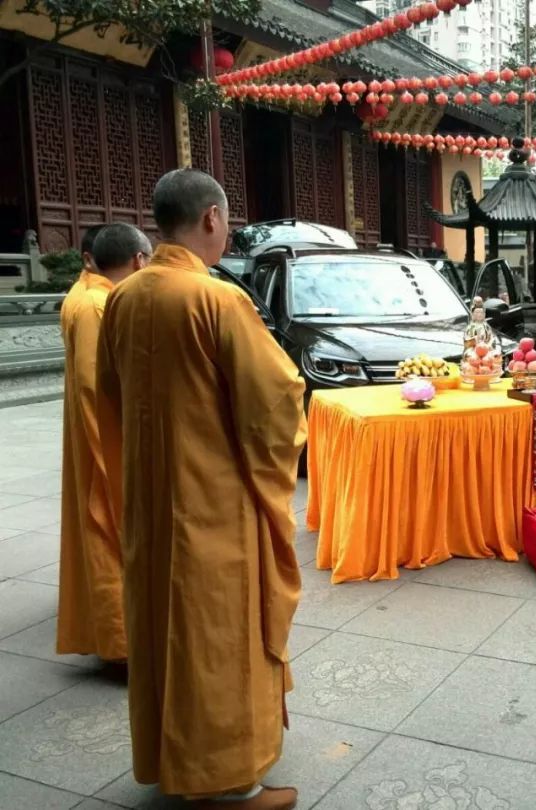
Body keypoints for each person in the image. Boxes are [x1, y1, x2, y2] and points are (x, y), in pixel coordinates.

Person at [96, 169, 307, 809]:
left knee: (165, 628)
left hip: (152, 498)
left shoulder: (124, 298)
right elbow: (274, 399)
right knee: (217, 637)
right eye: (227, 223)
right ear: (211, 219)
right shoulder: (216, 300)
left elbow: (111, 393)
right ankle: (231, 780)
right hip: (214, 503)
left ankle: (170, 755)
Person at [57, 224, 149, 670]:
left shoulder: (83, 292)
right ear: (138, 261)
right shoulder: (97, 304)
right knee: (109, 530)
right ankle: (122, 646)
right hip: (104, 439)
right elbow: (98, 390)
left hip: (92, 433)